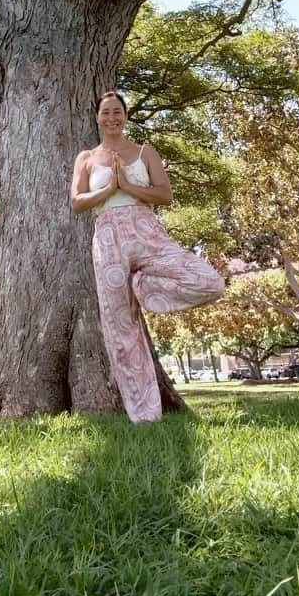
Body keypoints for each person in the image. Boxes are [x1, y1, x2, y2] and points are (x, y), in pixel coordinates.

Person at [71, 91, 225, 423]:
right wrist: (107, 190)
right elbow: (77, 202)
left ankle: (144, 285)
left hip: (146, 230)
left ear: (125, 116)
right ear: (97, 117)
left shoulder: (144, 152)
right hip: (107, 238)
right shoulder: (86, 157)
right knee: (120, 328)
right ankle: (145, 414)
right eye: (105, 112)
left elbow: (164, 195)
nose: (111, 117)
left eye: (117, 112)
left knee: (210, 282)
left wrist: (126, 184)